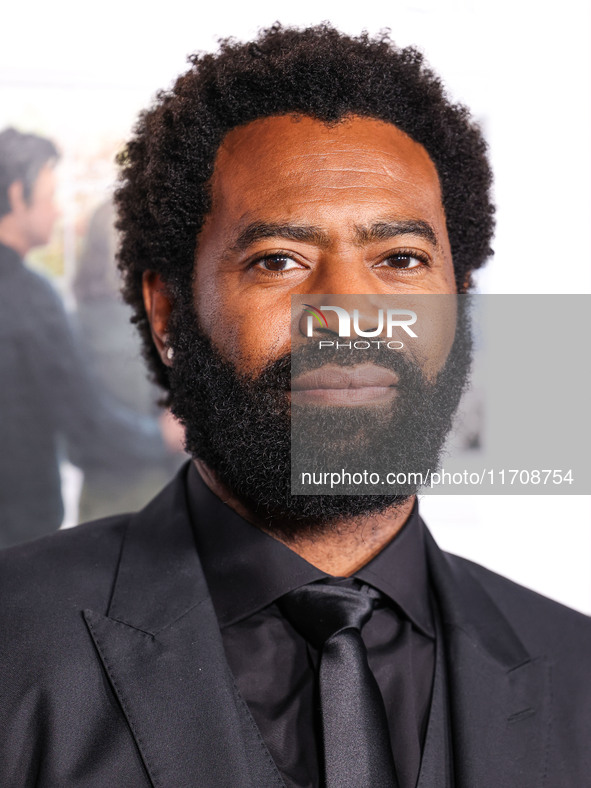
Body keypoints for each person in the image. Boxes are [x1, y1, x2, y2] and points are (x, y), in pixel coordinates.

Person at [0, 25, 589, 788]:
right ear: (169, 312)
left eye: (400, 259)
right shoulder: (13, 644)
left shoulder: (578, 674)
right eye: (278, 260)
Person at [0, 128, 170, 547]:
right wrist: (165, 437)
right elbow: (84, 423)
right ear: (19, 194)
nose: (58, 212)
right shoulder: (30, 298)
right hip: (19, 532)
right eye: (51, 195)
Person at [72, 199, 186, 521]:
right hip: (116, 510)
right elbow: (83, 425)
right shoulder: (79, 324)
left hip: (179, 507)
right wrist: (159, 438)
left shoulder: (175, 314)